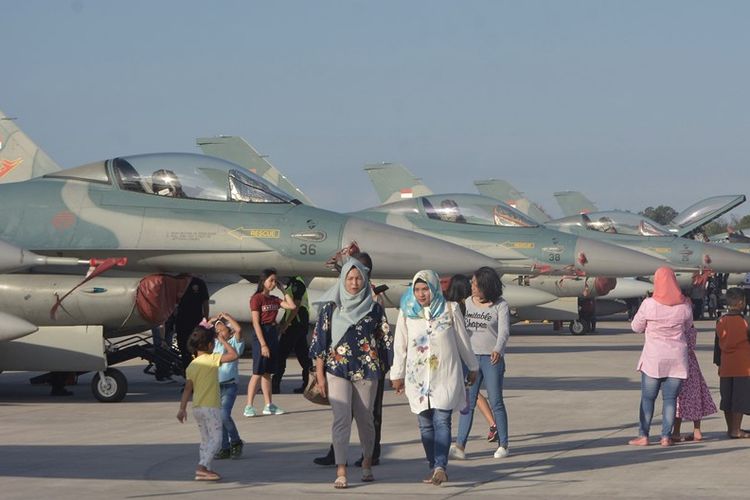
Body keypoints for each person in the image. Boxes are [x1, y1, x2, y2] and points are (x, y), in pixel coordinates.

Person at [309, 258, 391, 489]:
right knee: (341, 419)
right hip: (337, 369)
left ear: (365, 281)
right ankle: (341, 468)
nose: (354, 283)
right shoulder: (331, 307)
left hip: (367, 370)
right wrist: (320, 374)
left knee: (365, 419)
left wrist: (387, 370)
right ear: (343, 280)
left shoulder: (375, 308)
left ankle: (366, 460)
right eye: (350, 278)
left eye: (358, 279)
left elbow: (385, 340)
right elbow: (320, 342)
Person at [391, 270, 478, 486]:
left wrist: (472, 365)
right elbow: (400, 345)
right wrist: (397, 374)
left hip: (444, 374)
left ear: (434, 288)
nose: (421, 294)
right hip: (418, 378)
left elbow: (462, 340)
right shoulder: (407, 312)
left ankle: (441, 467)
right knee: (425, 424)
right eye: (417, 290)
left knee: (442, 420)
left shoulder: (450, 309)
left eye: (425, 289)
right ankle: (434, 465)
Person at [451, 266, 511, 460]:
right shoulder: (467, 303)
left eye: (476, 284)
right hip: (471, 359)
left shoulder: (500, 305)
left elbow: (503, 332)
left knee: (496, 401)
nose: (472, 286)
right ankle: (460, 445)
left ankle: (503, 444)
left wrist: (498, 349)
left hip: (492, 358)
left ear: (486, 286)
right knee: (468, 402)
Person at [628, 266, 691, 447]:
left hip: (653, 359)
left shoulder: (649, 304)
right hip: (677, 358)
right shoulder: (684, 305)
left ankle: (644, 435)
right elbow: (688, 327)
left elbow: (636, 327)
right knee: (670, 400)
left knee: (648, 398)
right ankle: (665, 436)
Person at [176, 325, 238, 481]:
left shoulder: (192, 365)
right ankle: (202, 467)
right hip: (211, 407)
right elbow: (233, 355)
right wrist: (223, 341)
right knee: (216, 439)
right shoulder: (212, 359)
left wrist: (182, 409)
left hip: (197, 408)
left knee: (205, 440)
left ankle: (206, 469)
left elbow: (187, 390)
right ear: (210, 345)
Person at [444, 274, 498, 443]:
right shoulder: (464, 305)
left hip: (461, 355)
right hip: (468, 354)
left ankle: (492, 424)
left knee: (470, 392)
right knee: (471, 392)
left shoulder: (456, 307)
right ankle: (492, 424)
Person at [243, 268, 296, 417]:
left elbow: (292, 307)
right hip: (262, 334)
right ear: (263, 281)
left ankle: (269, 405)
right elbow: (255, 323)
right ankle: (249, 406)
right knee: (257, 372)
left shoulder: (274, 299)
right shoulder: (257, 299)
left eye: (275, 280)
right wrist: (263, 344)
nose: (273, 283)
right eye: (271, 280)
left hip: (272, 333)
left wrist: (283, 290)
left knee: (268, 373)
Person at [671, 324, 717, 442]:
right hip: (692, 364)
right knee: (695, 397)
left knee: (678, 399)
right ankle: (697, 430)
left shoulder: (676, 327)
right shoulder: (691, 328)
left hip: (678, 364)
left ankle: (676, 431)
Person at [714, 288, 750, 438]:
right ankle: (737, 429)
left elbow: (717, 345)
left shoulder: (720, 320)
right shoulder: (746, 321)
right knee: (739, 399)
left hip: (726, 365)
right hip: (743, 366)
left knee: (727, 398)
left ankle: (730, 429)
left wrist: (719, 363)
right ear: (741, 303)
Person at [210, 313, 245, 460]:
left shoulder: (235, 343)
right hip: (216, 385)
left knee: (224, 415)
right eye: (217, 330)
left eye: (222, 329)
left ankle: (236, 441)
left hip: (230, 385)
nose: (219, 332)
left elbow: (239, 329)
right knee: (219, 418)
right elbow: (199, 330)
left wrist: (227, 316)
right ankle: (224, 447)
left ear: (228, 331)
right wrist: (211, 321)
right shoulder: (215, 345)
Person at [272, 276, 311, 394]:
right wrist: (282, 323)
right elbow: (289, 310)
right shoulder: (291, 283)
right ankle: (307, 384)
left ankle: (275, 385)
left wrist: (285, 325)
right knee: (303, 356)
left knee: (281, 354)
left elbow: (295, 307)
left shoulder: (297, 284)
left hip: (295, 325)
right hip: (299, 325)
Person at [175, 277, 210, 373]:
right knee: (183, 348)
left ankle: (198, 374)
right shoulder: (178, 281)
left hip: (196, 321)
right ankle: (188, 376)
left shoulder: (199, 282)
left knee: (196, 347)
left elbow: (205, 301)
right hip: (181, 321)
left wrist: (206, 319)